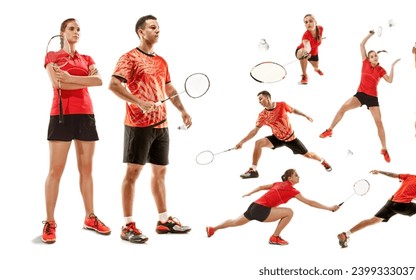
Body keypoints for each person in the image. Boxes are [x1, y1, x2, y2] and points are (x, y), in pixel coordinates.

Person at [108, 15, 193, 244]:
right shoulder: (129, 58)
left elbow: (169, 88)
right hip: (138, 125)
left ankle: (164, 220)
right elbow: (114, 85)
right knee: (133, 173)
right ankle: (127, 225)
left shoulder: (162, 61)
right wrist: (139, 102)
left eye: (159, 28)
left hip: (162, 125)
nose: (157, 31)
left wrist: (183, 110)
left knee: (160, 173)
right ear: (140, 31)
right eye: (152, 27)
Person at [41, 18, 109, 244]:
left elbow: (99, 80)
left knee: (87, 170)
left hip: (85, 115)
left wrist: (70, 78)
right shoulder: (52, 57)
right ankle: (50, 222)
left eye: (78, 29)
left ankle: (90, 217)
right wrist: (81, 80)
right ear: (62, 32)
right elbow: (57, 85)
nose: (76, 32)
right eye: (72, 28)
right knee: (55, 170)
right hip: (60, 116)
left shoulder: (87, 58)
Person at [319, 30, 401, 162]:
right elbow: (362, 45)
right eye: (372, 56)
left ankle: (384, 149)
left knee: (379, 123)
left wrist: (392, 66)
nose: (375, 57)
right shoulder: (365, 63)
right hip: (361, 94)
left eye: (376, 56)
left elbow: (390, 80)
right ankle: (329, 130)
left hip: (372, 98)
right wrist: (370, 34)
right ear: (368, 58)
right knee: (342, 108)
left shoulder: (381, 70)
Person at [206, 169, 339, 245]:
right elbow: (310, 202)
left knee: (235, 222)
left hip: (253, 206)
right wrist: (329, 208)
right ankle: (275, 237)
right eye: (296, 175)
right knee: (289, 212)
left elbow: (261, 187)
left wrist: (249, 193)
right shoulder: (292, 190)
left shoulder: (277, 183)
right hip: (261, 210)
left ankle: (213, 228)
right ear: (289, 178)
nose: (299, 177)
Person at [336, 167, 416, 248]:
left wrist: (379, 171)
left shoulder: (410, 176)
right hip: (402, 205)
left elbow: (394, 175)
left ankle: (346, 234)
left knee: (372, 220)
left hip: (391, 202)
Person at [237, 90, 332, 179]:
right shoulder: (262, 115)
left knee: (308, 155)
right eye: (258, 100)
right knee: (258, 143)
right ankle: (253, 170)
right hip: (277, 138)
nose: (259, 101)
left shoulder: (282, 105)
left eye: (261, 99)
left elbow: (293, 110)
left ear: (268, 97)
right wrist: (241, 142)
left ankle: (322, 161)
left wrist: (305, 115)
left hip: (291, 139)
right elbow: (255, 130)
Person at [296, 14, 324, 85]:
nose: (308, 23)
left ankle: (316, 69)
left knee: (316, 66)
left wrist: (320, 38)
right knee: (302, 54)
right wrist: (306, 52)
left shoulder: (320, 28)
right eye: (306, 22)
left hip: (314, 52)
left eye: (310, 21)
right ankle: (304, 75)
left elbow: (319, 38)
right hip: (302, 51)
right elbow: (307, 47)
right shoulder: (305, 36)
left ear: (315, 22)